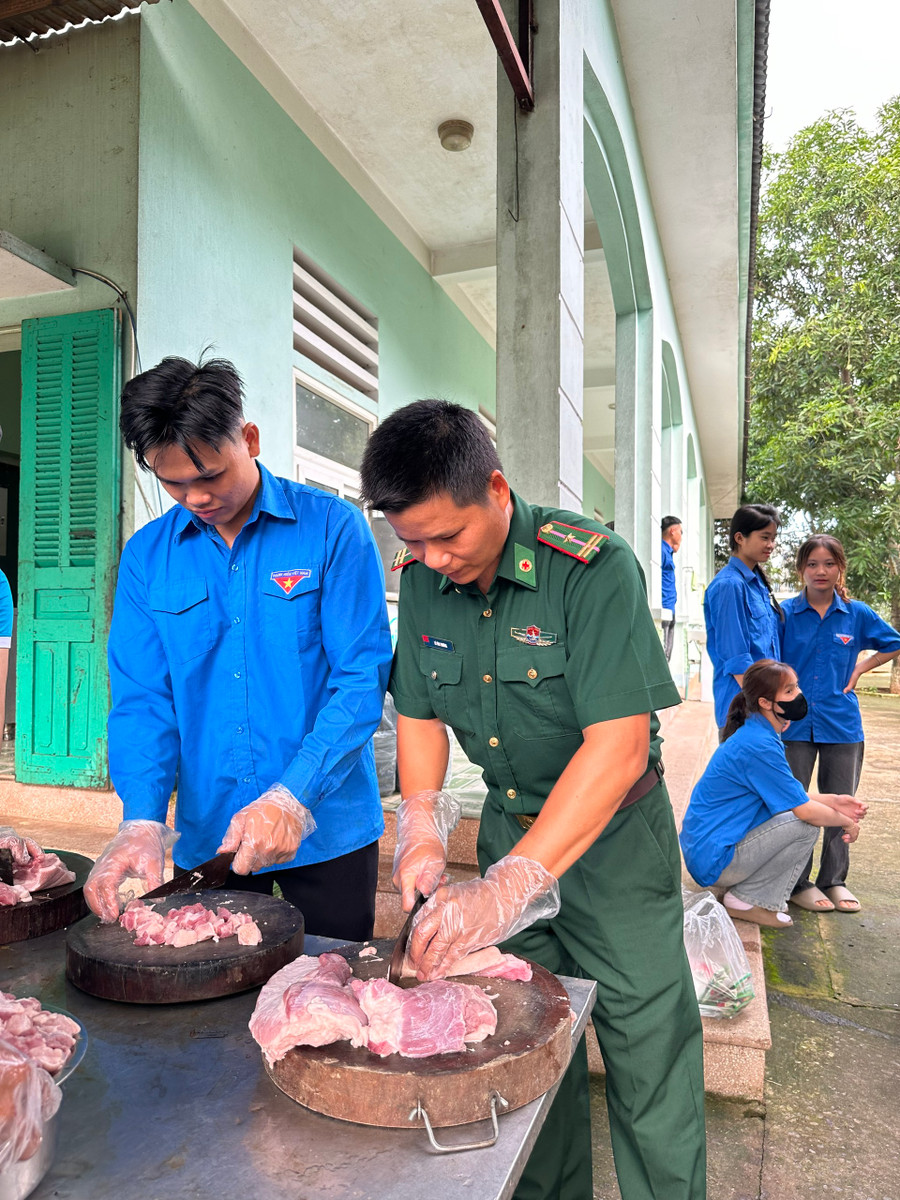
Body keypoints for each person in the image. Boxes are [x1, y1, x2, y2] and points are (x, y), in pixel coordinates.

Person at [359, 400, 705, 1200]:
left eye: (449, 535)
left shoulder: (592, 568)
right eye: (413, 542)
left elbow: (616, 749)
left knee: (648, 1051)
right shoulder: (421, 584)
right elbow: (416, 714)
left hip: (614, 841)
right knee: (522, 1051)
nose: (434, 557)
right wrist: (418, 826)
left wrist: (514, 885)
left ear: (498, 489)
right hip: (507, 832)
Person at [84, 357, 392, 940]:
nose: (195, 496)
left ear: (248, 439)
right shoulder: (148, 557)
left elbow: (359, 681)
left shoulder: (333, 529)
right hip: (211, 832)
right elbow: (144, 698)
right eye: (172, 481)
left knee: (332, 991)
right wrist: (143, 819)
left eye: (211, 475)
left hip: (327, 825)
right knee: (209, 1001)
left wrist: (294, 796)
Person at [680, 659, 866, 929]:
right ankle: (749, 900)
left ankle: (748, 895)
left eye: (797, 687)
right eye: (789, 691)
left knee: (802, 817)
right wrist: (846, 822)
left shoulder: (758, 733)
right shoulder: (758, 744)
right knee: (805, 826)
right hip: (715, 861)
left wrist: (834, 801)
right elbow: (803, 810)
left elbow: (791, 794)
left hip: (710, 851)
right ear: (766, 703)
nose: (799, 695)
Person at [780, 535, 900, 914]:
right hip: (792, 726)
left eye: (828, 564)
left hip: (841, 723)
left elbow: (893, 642)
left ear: (839, 568)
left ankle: (834, 880)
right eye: (812, 564)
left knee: (842, 807)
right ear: (801, 569)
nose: (820, 571)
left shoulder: (857, 614)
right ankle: (797, 882)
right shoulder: (783, 614)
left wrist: (861, 667)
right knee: (795, 805)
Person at [703, 503, 782, 736]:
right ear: (740, 537)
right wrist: (764, 707)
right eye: (765, 537)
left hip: (762, 705)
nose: (771, 545)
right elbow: (736, 657)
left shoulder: (756, 585)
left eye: (774, 538)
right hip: (744, 709)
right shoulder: (729, 585)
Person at [660, 514, 682, 661]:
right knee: (662, 656)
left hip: (669, 609)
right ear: (673, 531)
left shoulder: (667, 551)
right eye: (681, 532)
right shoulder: (660, 550)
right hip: (663, 609)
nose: (681, 536)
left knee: (666, 656)